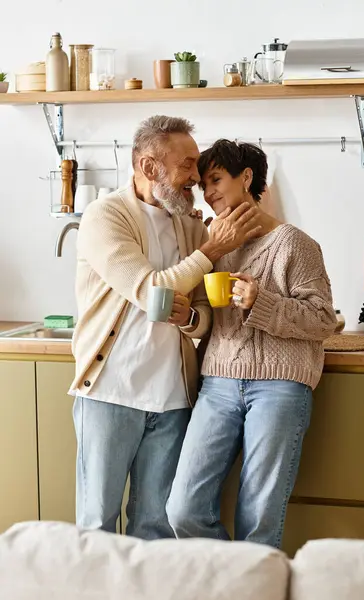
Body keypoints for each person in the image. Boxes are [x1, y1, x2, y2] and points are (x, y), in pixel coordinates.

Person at [68, 119, 262, 539]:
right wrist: (212, 250)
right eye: (187, 165)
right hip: (110, 392)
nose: (195, 176)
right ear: (149, 166)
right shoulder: (105, 216)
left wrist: (191, 320)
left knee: (155, 526)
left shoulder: (189, 224)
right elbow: (149, 288)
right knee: (96, 523)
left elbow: (200, 312)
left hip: (172, 399)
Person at [167, 139, 337, 548]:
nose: (208, 193)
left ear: (246, 178)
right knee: (182, 509)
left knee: (258, 517)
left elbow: (322, 320)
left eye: (216, 179)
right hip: (218, 384)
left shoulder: (294, 243)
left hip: (280, 388)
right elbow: (207, 319)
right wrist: (190, 318)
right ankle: (233, 578)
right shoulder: (210, 243)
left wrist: (261, 302)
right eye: (203, 184)